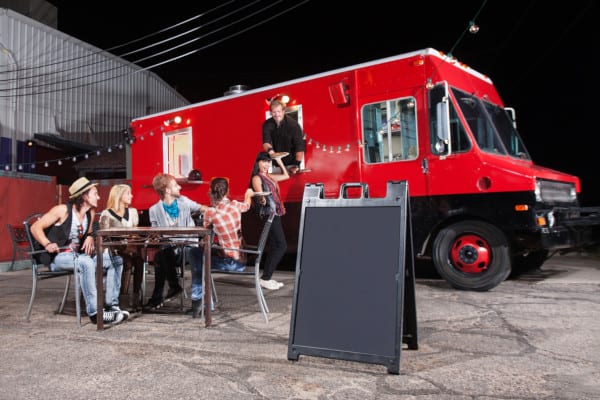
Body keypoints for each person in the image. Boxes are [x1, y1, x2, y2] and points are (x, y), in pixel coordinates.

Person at [30, 177, 126, 324]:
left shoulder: (90, 213)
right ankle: (95, 313)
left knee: (116, 261)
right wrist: (47, 243)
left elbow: (88, 232)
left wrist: (89, 236)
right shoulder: (62, 210)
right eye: (95, 193)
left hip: (78, 256)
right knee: (86, 262)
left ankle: (111, 305)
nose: (99, 197)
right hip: (58, 257)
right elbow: (35, 227)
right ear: (83, 196)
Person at [193, 177, 254, 317]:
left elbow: (206, 232)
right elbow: (247, 205)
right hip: (242, 260)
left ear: (211, 192)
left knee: (196, 256)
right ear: (227, 191)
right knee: (201, 258)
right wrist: (248, 195)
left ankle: (200, 303)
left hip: (229, 263)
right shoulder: (235, 205)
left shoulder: (210, 212)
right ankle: (203, 303)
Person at [146, 173, 207, 311]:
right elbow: (156, 234)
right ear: (167, 190)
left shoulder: (184, 204)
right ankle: (171, 288)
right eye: (175, 185)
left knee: (160, 256)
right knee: (162, 254)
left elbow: (199, 213)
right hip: (170, 250)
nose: (179, 187)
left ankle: (161, 295)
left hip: (187, 248)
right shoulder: (154, 210)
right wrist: (155, 236)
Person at [99, 184, 144, 309]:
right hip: (113, 250)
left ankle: (136, 298)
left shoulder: (133, 212)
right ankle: (122, 299)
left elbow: (134, 234)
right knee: (127, 261)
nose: (132, 196)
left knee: (139, 260)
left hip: (130, 247)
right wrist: (123, 248)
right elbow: (105, 237)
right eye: (128, 193)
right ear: (119, 195)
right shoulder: (106, 214)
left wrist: (131, 245)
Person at [250, 152, 290, 290]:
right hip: (268, 214)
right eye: (263, 162)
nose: (266, 164)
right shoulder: (257, 177)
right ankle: (265, 278)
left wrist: (279, 161)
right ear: (258, 163)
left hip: (275, 213)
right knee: (281, 245)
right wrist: (262, 199)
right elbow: (260, 194)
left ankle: (266, 277)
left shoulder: (269, 176)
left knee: (275, 245)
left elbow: (286, 176)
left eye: (268, 162)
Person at [262, 99, 306, 174]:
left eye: (278, 111)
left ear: (283, 111)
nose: (276, 114)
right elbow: (266, 142)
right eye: (274, 112)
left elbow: (300, 148)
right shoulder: (267, 124)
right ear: (271, 113)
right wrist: (271, 151)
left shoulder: (293, 125)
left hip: (292, 164)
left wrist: (296, 165)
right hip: (276, 164)